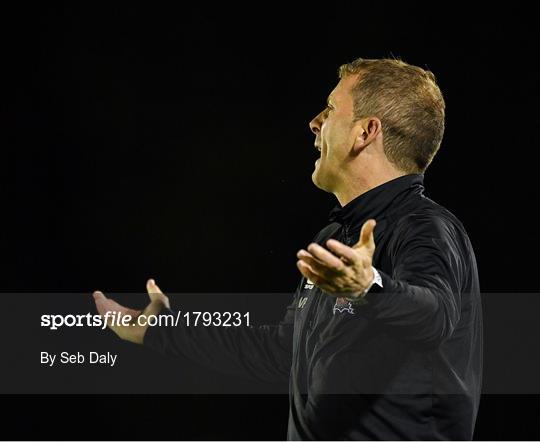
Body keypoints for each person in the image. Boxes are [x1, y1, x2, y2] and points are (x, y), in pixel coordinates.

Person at [93, 57, 483, 440]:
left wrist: (369, 287)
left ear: (365, 132)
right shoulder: (333, 237)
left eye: (330, 109)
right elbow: (283, 351)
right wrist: (160, 331)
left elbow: (435, 315)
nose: (315, 122)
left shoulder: (427, 227)